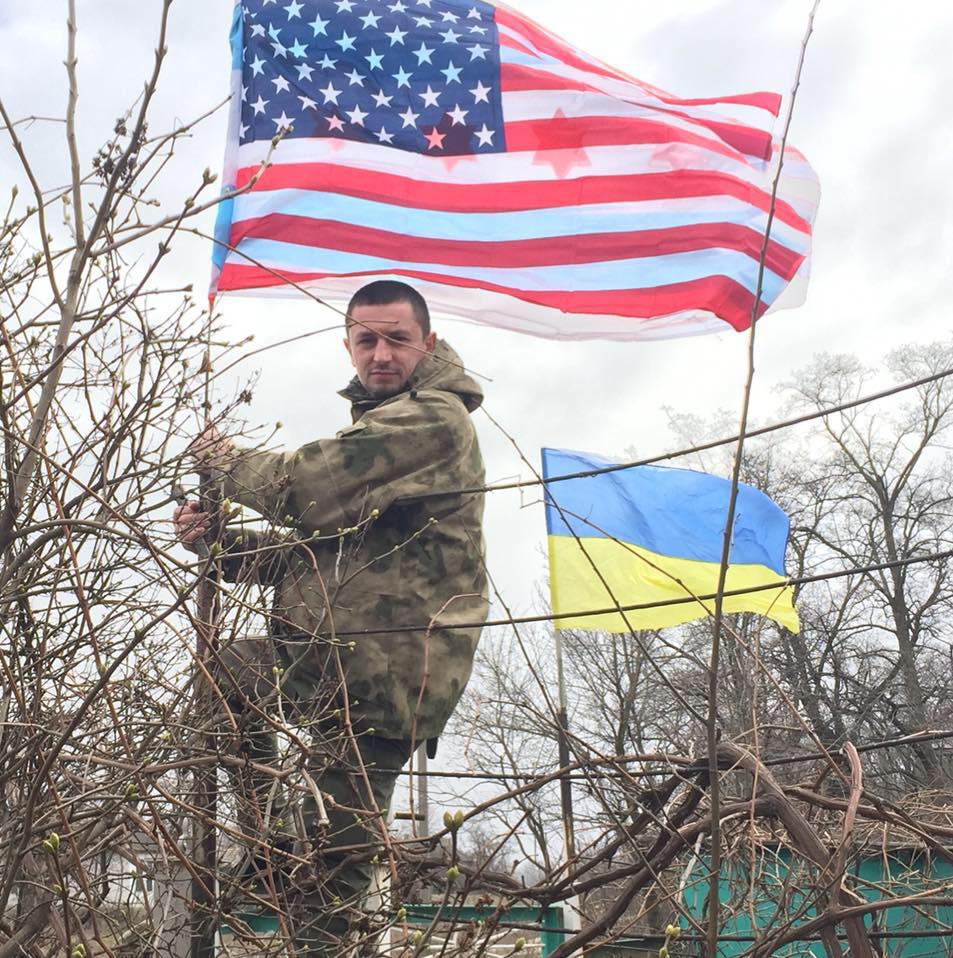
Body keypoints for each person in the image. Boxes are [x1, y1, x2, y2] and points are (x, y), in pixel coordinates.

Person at [174, 280, 488, 954]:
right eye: (366, 340)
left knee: (330, 885)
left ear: (428, 343)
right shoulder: (381, 426)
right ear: (348, 346)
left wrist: (224, 464)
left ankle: (314, 899)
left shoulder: (434, 421)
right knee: (225, 673)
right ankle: (269, 843)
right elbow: (319, 556)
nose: (381, 353)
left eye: (397, 339)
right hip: (325, 662)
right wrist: (219, 544)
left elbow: (307, 487)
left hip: (384, 682)